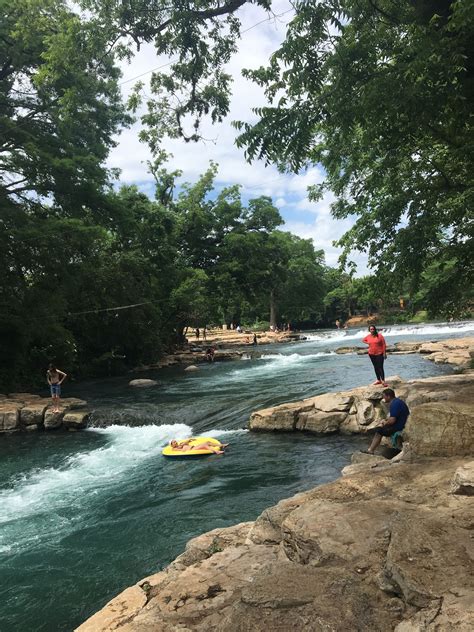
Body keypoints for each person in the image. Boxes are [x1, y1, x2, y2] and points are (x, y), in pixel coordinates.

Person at [363, 388, 409, 455]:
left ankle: (371, 450)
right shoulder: (398, 401)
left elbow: (392, 420)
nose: (384, 398)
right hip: (402, 423)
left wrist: (385, 422)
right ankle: (371, 449)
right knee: (380, 428)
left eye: (384, 396)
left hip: (399, 426)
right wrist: (386, 421)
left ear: (388, 396)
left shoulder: (394, 404)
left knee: (379, 431)